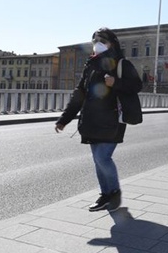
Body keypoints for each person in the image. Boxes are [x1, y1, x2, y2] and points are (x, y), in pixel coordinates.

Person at [55, 27, 142, 212]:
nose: (98, 44)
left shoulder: (121, 64)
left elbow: (137, 85)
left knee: (103, 158)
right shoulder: (91, 65)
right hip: (91, 121)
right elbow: (79, 95)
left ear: (112, 43)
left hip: (112, 120)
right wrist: (64, 119)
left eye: (102, 40)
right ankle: (105, 195)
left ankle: (114, 192)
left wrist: (115, 83)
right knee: (98, 160)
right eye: (95, 40)